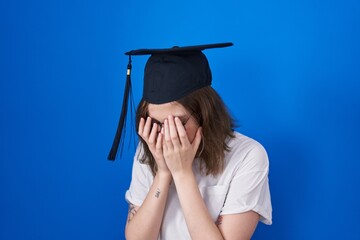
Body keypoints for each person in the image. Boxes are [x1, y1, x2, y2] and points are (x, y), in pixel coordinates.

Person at [108, 43, 272, 240]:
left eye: (177, 122)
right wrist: (163, 172)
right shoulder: (151, 147)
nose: (166, 135)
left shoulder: (248, 155)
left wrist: (182, 173)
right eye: (156, 123)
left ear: (204, 113)